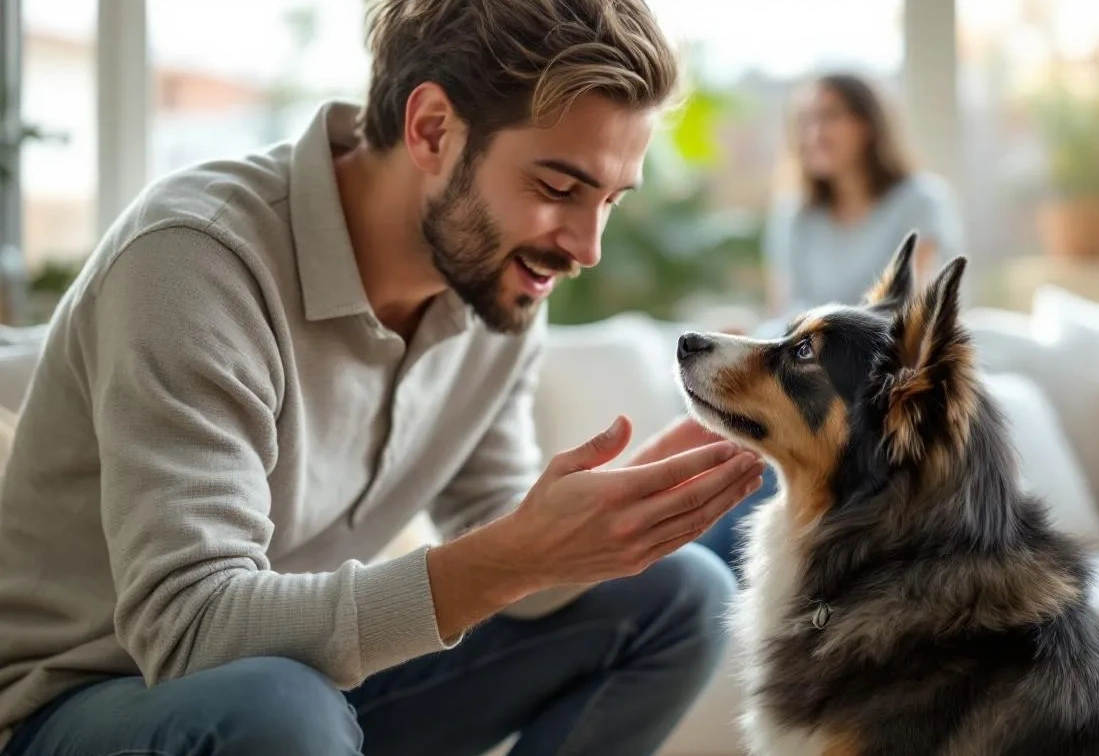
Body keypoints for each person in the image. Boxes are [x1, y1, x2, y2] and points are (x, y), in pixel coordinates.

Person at [0, 2, 768, 755]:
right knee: (279, 709)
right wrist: (516, 557)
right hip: (88, 703)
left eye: (608, 200)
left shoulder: (494, 286)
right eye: (559, 189)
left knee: (681, 598)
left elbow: (495, 523)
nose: (586, 247)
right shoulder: (197, 260)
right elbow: (190, 628)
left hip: (309, 685)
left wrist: (594, 533)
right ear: (432, 128)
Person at [696, 72, 964, 578]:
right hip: (799, 368)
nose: (813, 132)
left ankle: (695, 572)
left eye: (829, 116)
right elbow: (788, 314)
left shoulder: (920, 201)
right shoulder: (794, 214)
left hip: (861, 381)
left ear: (867, 125)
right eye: (804, 121)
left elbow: (907, 319)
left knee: (798, 441)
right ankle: (694, 571)